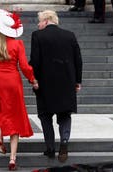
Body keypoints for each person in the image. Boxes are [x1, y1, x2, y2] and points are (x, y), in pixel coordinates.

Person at [0, 9, 38, 171]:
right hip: (13, 80)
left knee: (2, 110)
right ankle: (12, 158)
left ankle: (0, 136)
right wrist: (33, 79)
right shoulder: (17, 44)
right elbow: (25, 66)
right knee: (16, 114)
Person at [29, 10, 83, 163]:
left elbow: (35, 61)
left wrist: (34, 79)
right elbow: (78, 60)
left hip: (45, 84)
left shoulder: (37, 36)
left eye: (39, 21)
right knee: (65, 115)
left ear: (46, 20)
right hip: (67, 83)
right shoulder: (70, 35)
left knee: (45, 115)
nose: (38, 24)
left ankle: (50, 148)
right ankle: (64, 142)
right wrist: (77, 81)